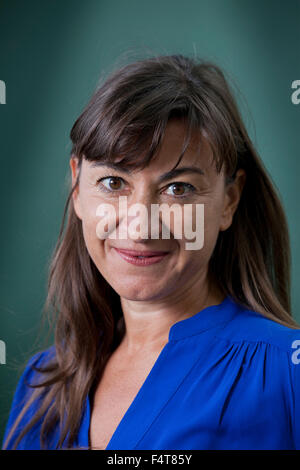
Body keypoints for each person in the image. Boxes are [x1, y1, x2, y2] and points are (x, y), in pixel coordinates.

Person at [2, 54, 300, 450]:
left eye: (179, 189)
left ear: (229, 199)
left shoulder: (287, 373)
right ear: (77, 188)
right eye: (113, 182)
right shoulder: (42, 384)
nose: (141, 226)